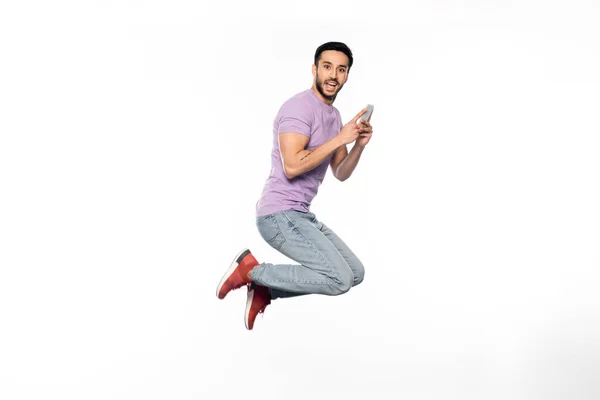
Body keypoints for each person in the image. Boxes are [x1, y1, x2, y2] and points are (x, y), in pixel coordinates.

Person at [216, 41, 374, 330]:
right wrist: (341, 138)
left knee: (354, 272)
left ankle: (266, 289)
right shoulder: (299, 107)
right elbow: (292, 166)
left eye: (341, 69)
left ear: (347, 75)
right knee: (338, 279)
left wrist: (358, 146)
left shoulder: (333, 116)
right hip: (278, 215)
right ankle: (253, 272)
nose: (333, 75)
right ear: (314, 69)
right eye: (327, 67)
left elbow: (340, 171)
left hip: (300, 215)